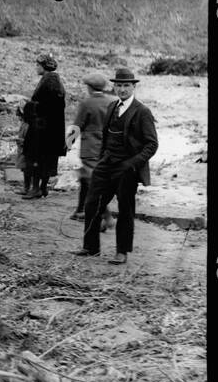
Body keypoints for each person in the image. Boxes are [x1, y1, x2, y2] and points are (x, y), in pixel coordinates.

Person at [74, 68, 158, 265]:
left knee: (125, 209)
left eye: (126, 85)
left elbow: (152, 144)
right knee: (92, 203)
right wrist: (103, 157)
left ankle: (122, 252)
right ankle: (91, 247)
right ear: (114, 86)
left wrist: (132, 163)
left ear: (133, 87)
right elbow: (106, 135)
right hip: (106, 164)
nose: (122, 89)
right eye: (118, 85)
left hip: (127, 168)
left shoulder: (142, 112)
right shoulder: (112, 106)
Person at [65, 73, 117, 223]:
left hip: (90, 147)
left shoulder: (87, 103)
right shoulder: (111, 102)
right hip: (106, 147)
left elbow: (77, 125)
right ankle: (80, 210)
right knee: (86, 178)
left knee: (91, 180)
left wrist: (68, 144)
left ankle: (104, 215)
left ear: (89, 87)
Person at [18, 53, 67, 199]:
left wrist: (27, 106)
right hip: (52, 129)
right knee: (47, 158)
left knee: (36, 157)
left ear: (44, 67)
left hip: (42, 129)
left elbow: (44, 107)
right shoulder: (54, 81)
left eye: (38, 65)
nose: (36, 67)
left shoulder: (49, 82)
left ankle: (35, 189)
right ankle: (42, 188)